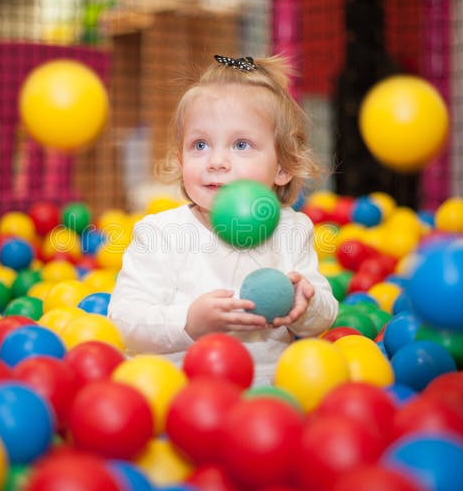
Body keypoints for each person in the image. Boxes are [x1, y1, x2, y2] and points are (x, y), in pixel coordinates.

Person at [107, 54, 338, 385]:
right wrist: (189, 322)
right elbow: (124, 321)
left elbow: (323, 316)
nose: (216, 161)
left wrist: (307, 303)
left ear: (282, 167)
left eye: (241, 144)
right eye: (199, 144)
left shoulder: (291, 230)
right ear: (180, 158)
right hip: (182, 390)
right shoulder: (161, 234)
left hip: (272, 393)